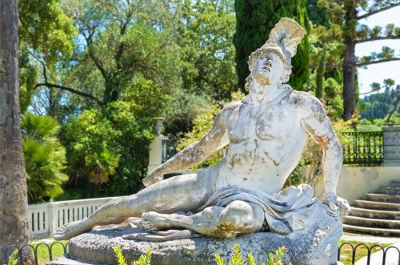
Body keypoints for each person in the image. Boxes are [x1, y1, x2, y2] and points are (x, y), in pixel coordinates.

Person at [54, 18, 349, 241]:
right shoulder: (232, 112)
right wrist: (164, 169)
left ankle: (176, 222)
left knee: (235, 219)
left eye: (276, 60)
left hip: (257, 197)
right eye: (262, 57)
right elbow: (201, 150)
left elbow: (331, 145)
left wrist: (331, 193)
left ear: (285, 72)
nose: (267, 62)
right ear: (251, 66)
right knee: (136, 201)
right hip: (213, 181)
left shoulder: (300, 105)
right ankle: (84, 225)